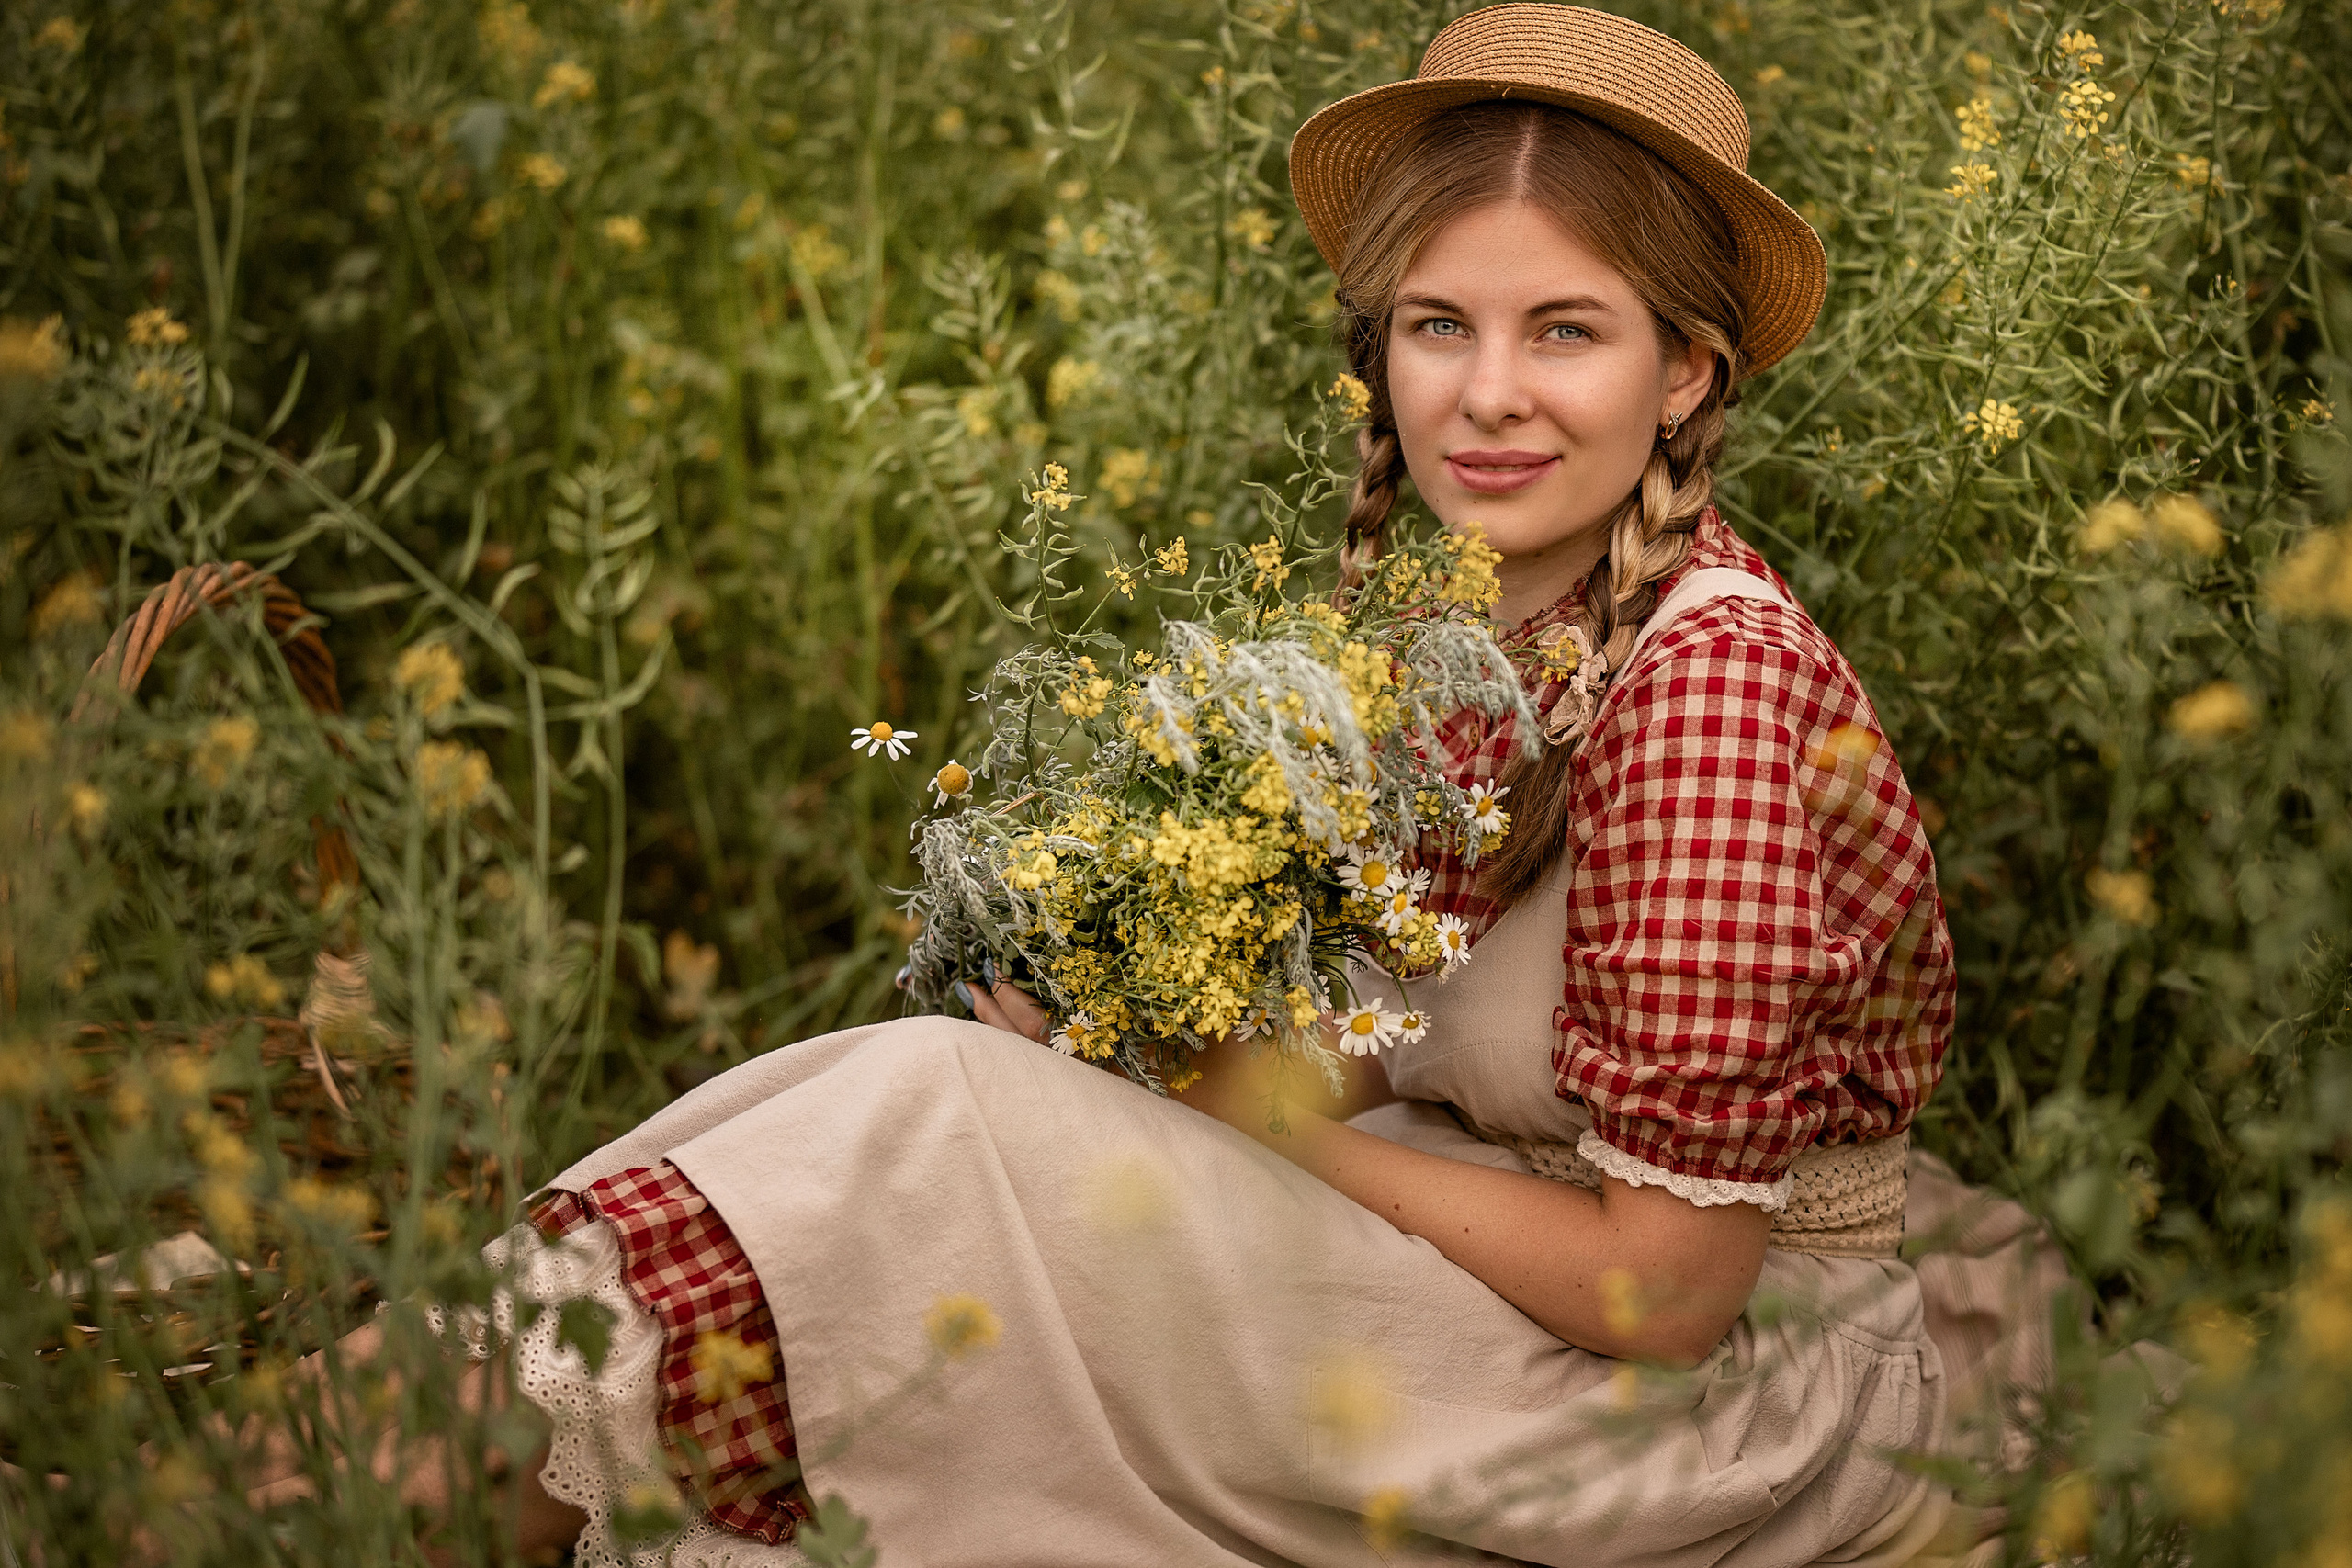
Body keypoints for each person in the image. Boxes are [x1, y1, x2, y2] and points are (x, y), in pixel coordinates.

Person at [233, 8, 1968, 1565]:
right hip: (1481, 1274)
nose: (1488, 395)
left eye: (1567, 331)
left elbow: (1660, 1296)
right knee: (915, 1102)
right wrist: (1137, 1065)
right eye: (1440, 323)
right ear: (1377, 349)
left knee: (935, 1132)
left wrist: (1253, 1128)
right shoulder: (1458, 625)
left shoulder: (1708, 688)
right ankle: (312, 1472)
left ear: (1687, 372)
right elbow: (1373, 1035)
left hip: (1693, 1409)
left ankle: (301, 1508)